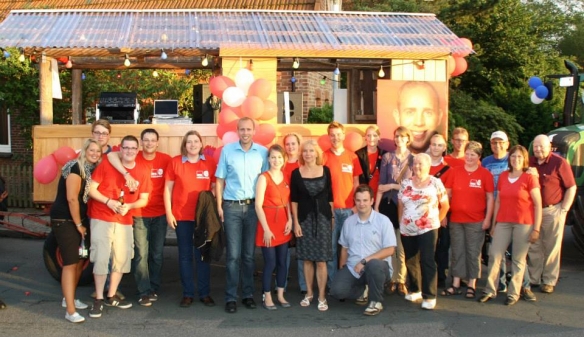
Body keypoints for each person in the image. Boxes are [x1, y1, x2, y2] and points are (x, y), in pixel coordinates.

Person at [87, 135, 152, 318]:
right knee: (101, 257)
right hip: (102, 217)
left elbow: (144, 199)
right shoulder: (107, 164)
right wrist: (109, 202)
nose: (129, 151)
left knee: (121, 258)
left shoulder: (143, 170)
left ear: (137, 150)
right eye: (126, 148)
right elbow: (91, 190)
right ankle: (98, 299)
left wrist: (129, 206)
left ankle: (111, 295)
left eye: (133, 148)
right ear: (120, 149)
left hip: (124, 220)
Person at [109, 129, 171, 307]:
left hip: (160, 214)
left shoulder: (166, 159)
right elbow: (112, 156)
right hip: (138, 214)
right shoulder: (132, 157)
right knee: (141, 254)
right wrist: (126, 174)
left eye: (153, 140)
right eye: (146, 140)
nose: (149, 143)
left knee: (157, 255)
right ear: (141, 143)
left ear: (158, 143)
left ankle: (153, 287)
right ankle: (143, 291)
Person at [216, 117, 268, 314]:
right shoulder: (227, 151)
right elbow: (219, 179)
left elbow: (266, 180)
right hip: (232, 208)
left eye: (248, 129)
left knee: (248, 255)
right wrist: (219, 205)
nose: (245, 133)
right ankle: (230, 298)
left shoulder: (262, 152)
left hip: (254, 208)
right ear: (237, 131)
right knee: (233, 256)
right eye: (242, 130)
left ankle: (247, 295)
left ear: (254, 131)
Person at [479, 145, 542, 306]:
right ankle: (490, 290)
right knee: (494, 255)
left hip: (523, 223)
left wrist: (536, 228)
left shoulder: (529, 178)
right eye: (513, 156)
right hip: (503, 222)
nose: (516, 159)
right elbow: (498, 200)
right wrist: (494, 224)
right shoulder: (504, 176)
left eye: (519, 157)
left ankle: (514, 293)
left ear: (524, 159)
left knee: (518, 259)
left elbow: (537, 204)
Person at [50, 139, 101, 323]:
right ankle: (70, 311)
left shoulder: (88, 168)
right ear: (84, 150)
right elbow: (72, 199)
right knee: (70, 263)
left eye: (98, 151)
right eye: (92, 150)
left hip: (78, 220)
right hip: (66, 220)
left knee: (80, 261)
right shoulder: (75, 167)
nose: (95, 153)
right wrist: (79, 224)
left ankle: (68, 299)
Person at [164, 130, 216, 308]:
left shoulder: (209, 163)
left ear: (201, 144)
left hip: (203, 219)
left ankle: (204, 293)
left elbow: (216, 186)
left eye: (196, 141)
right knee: (185, 256)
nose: (193, 145)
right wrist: (169, 212)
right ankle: (187, 294)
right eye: (189, 142)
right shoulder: (175, 162)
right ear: (184, 145)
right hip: (182, 216)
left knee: (202, 255)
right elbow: (167, 190)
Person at [330, 185, 396, 316]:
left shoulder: (383, 221)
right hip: (353, 268)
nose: (362, 204)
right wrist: (342, 269)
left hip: (377, 268)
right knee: (337, 291)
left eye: (365, 200)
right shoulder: (349, 222)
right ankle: (362, 290)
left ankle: (376, 301)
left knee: (373, 264)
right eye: (358, 200)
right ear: (354, 200)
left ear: (372, 201)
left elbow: (390, 250)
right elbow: (344, 248)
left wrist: (365, 261)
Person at [442, 141, 494, 299]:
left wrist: (488, 219)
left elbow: (490, 198)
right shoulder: (455, 171)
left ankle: (472, 284)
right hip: (456, 219)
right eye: (467, 153)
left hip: (476, 220)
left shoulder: (485, 174)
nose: (469, 157)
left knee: (473, 252)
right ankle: (456, 283)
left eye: (473, 154)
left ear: (479, 157)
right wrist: (443, 214)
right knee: (457, 251)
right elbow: (446, 195)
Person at [398, 153, 449, 310]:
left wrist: (435, 222)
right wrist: (401, 222)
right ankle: (415, 289)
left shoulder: (436, 183)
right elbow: (400, 204)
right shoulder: (405, 183)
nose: (417, 167)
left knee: (427, 260)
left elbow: (445, 205)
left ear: (428, 166)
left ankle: (429, 295)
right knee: (411, 259)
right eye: (415, 164)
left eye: (421, 164)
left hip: (428, 228)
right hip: (407, 229)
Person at [527, 135, 576, 294]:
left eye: (541, 146)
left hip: (552, 210)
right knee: (534, 245)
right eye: (535, 146)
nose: (538, 149)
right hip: (533, 211)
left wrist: (564, 209)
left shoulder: (559, 163)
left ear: (549, 147)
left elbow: (571, 187)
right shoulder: (529, 162)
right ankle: (534, 278)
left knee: (552, 246)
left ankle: (549, 280)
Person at [291, 140, 334, 312]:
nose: (308, 153)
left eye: (311, 151)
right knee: (307, 259)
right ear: (302, 154)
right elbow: (293, 200)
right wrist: (295, 222)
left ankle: (322, 296)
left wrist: (331, 218)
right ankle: (309, 293)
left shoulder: (326, 171)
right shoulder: (296, 173)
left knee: (322, 261)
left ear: (317, 153)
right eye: (305, 151)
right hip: (304, 220)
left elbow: (330, 196)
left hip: (323, 219)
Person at [375, 126, 413, 296]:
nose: (398, 139)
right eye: (396, 136)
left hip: (405, 206)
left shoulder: (413, 159)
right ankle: (390, 278)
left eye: (402, 137)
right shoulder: (387, 157)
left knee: (401, 246)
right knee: (388, 244)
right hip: (387, 205)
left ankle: (401, 279)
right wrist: (375, 207)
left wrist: (391, 185)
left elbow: (409, 186)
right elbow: (381, 185)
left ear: (407, 139)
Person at [322, 122, 362, 284]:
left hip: (348, 211)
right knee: (331, 249)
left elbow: (356, 182)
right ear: (329, 136)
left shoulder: (352, 157)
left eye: (338, 134)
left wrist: (355, 206)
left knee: (350, 248)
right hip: (329, 211)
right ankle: (333, 283)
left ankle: (348, 281)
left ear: (344, 136)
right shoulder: (323, 157)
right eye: (332, 135)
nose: (336, 138)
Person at [255, 144, 293, 310]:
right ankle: (267, 295)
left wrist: (290, 220)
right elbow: (258, 205)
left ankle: (280, 294)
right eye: (273, 157)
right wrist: (266, 229)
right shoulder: (264, 177)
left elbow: (288, 202)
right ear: (268, 159)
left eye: (279, 157)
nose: (276, 160)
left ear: (283, 159)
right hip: (268, 224)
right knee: (270, 263)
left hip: (283, 223)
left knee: (282, 262)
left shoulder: (285, 177)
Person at [482, 131, 514, 295]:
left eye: (501, 142)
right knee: (496, 247)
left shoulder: (513, 159)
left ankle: (519, 282)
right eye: (494, 142)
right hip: (492, 209)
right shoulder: (486, 161)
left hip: (511, 209)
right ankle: (501, 282)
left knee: (515, 249)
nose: (497, 145)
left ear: (507, 144)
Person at [282, 133, 306, 294]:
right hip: (283, 211)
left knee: (302, 250)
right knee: (283, 251)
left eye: (293, 144)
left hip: (302, 211)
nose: (290, 147)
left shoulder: (304, 164)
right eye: (288, 144)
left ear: (299, 145)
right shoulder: (280, 164)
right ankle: (281, 285)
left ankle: (304, 285)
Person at [392, 81, 444, 153]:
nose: (419, 122)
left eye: (428, 113)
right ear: (397, 116)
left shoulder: (444, 163)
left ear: (439, 117)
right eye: (410, 112)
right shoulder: (389, 159)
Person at [428, 134, 451, 288]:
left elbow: (448, 193)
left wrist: (443, 215)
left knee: (441, 246)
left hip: (439, 212)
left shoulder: (448, 169)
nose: (436, 148)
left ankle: (440, 277)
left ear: (444, 148)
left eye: (439, 145)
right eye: (433, 144)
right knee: (426, 247)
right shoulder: (422, 163)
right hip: (422, 214)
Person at [355, 125, 386, 197]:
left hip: (380, 197)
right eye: (369, 135)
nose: (371, 138)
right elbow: (355, 179)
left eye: (374, 135)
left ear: (379, 137)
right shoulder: (358, 154)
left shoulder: (385, 155)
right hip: (364, 197)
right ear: (365, 137)